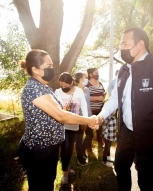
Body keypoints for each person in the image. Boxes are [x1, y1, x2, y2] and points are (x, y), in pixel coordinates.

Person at [97, 27, 153, 190]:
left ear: (140, 44)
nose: (121, 48)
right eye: (120, 44)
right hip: (125, 133)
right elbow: (115, 98)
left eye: (125, 43)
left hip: (150, 137)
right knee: (120, 168)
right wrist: (100, 116)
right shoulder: (123, 71)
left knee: (148, 180)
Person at [18, 49, 98, 191]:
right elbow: (61, 117)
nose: (52, 69)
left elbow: (57, 112)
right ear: (35, 69)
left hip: (48, 148)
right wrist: (89, 120)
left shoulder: (44, 87)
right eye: (48, 66)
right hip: (40, 149)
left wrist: (62, 109)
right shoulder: (34, 89)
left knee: (47, 184)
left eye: (52, 65)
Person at [55, 72, 88, 184]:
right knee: (65, 147)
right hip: (62, 125)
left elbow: (83, 106)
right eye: (61, 86)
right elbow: (54, 108)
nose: (63, 88)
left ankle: (66, 167)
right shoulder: (57, 92)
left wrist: (86, 120)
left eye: (65, 86)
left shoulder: (79, 91)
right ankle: (64, 171)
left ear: (72, 82)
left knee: (70, 149)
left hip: (74, 125)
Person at [85, 68, 106, 149]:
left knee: (99, 127)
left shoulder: (100, 83)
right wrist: (98, 98)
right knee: (90, 127)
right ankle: (88, 144)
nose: (98, 74)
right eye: (96, 73)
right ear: (90, 74)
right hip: (90, 110)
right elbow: (85, 97)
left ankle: (100, 140)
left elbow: (103, 94)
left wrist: (102, 97)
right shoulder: (87, 84)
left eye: (98, 72)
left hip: (100, 109)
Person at [74, 72, 91, 166]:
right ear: (81, 79)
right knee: (79, 138)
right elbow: (76, 106)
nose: (87, 79)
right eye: (86, 78)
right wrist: (81, 121)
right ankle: (79, 158)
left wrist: (91, 115)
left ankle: (81, 151)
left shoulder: (88, 90)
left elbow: (88, 104)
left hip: (88, 117)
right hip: (79, 118)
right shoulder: (75, 90)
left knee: (90, 135)